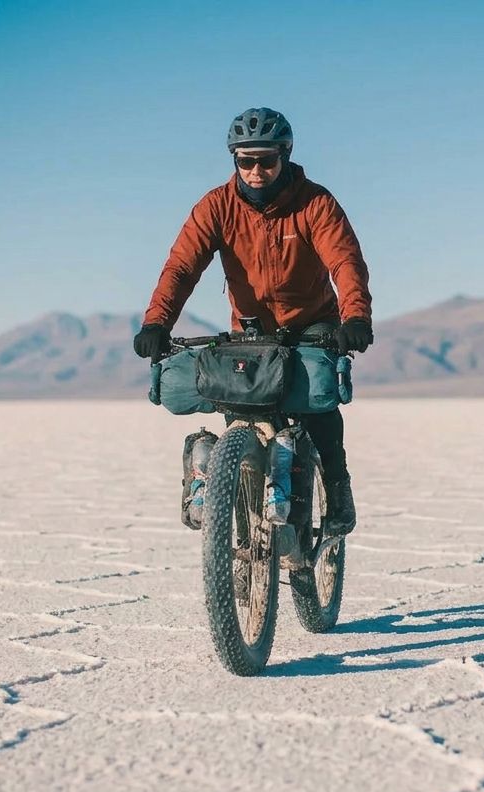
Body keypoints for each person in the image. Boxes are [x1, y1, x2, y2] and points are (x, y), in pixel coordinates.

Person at [133, 107, 372, 534]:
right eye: (246, 161)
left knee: (318, 410)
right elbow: (182, 268)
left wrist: (354, 316)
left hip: (311, 324)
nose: (256, 170)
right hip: (251, 331)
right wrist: (157, 324)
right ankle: (240, 531)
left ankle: (337, 491)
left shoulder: (314, 202)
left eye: (266, 160)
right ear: (234, 161)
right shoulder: (216, 206)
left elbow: (345, 261)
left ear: (285, 155)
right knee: (239, 404)